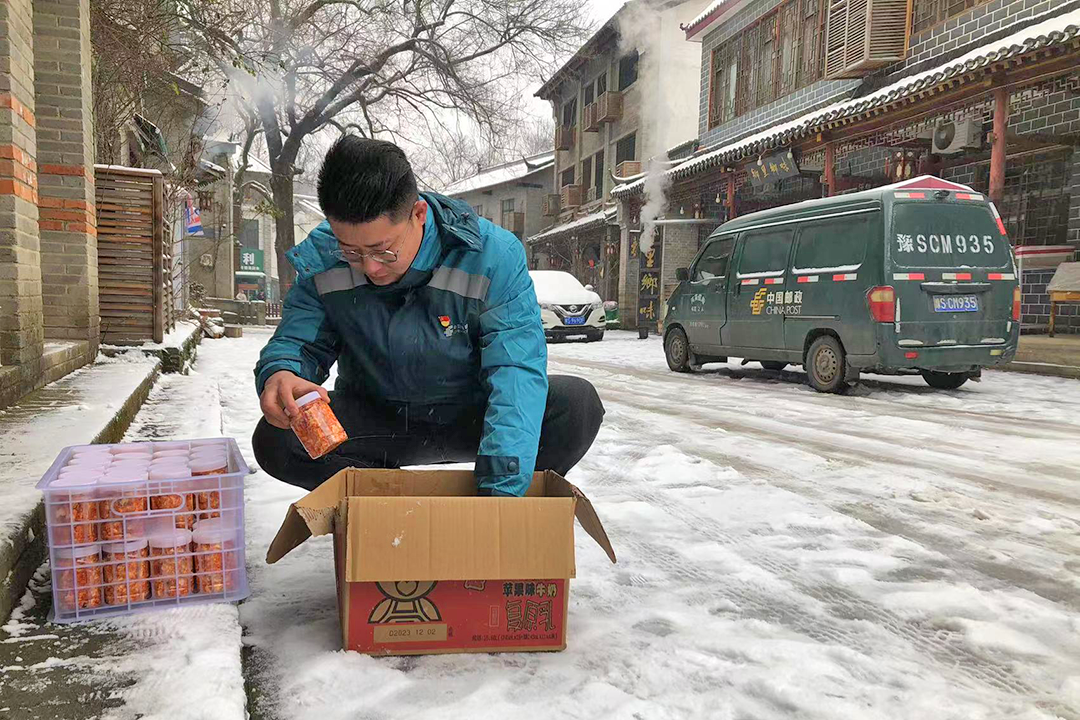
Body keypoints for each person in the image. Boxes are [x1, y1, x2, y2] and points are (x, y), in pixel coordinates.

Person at [251, 137, 604, 495]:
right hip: (379, 418)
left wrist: (500, 496)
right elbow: (298, 341)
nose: (370, 268)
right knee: (277, 439)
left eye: (383, 251)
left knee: (576, 406)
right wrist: (283, 373)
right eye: (351, 252)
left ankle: (504, 503)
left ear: (418, 214)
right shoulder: (324, 258)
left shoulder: (491, 255)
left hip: (473, 415)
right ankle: (382, 504)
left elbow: (515, 369)